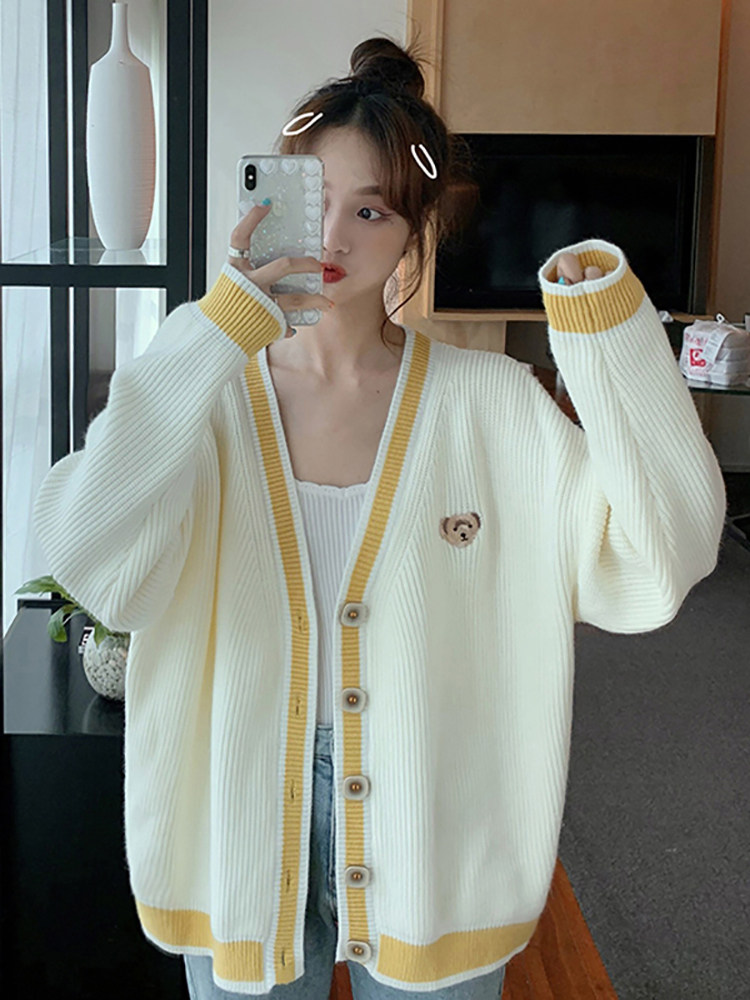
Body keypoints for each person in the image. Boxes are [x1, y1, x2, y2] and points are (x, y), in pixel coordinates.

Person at [31, 35, 727, 1000]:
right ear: (264, 196)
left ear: (415, 233)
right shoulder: (206, 393)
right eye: (313, 198)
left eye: (373, 210)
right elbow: (87, 551)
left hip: (436, 825)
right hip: (236, 821)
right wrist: (217, 331)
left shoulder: (492, 404)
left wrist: (606, 336)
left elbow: (662, 558)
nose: (333, 238)